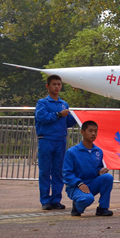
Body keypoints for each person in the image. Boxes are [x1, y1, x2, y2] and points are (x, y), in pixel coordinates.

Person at [34, 74, 77, 210]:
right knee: (45, 171)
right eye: (54, 84)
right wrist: (59, 114)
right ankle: (45, 200)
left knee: (58, 171)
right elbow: (42, 117)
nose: (57, 87)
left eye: (59, 84)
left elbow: (68, 122)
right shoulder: (43, 103)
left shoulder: (64, 104)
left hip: (60, 140)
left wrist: (77, 116)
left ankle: (56, 199)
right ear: (48, 86)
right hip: (46, 139)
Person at [62, 120, 113, 217]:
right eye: (90, 131)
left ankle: (103, 208)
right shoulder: (72, 152)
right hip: (76, 186)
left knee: (108, 177)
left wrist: (100, 172)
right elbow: (66, 174)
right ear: (82, 132)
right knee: (87, 199)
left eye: (95, 131)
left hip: (91, 183)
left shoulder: (98, 151)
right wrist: (78, 183)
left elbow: (97, 170)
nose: (93, 134)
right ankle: (77, 206)